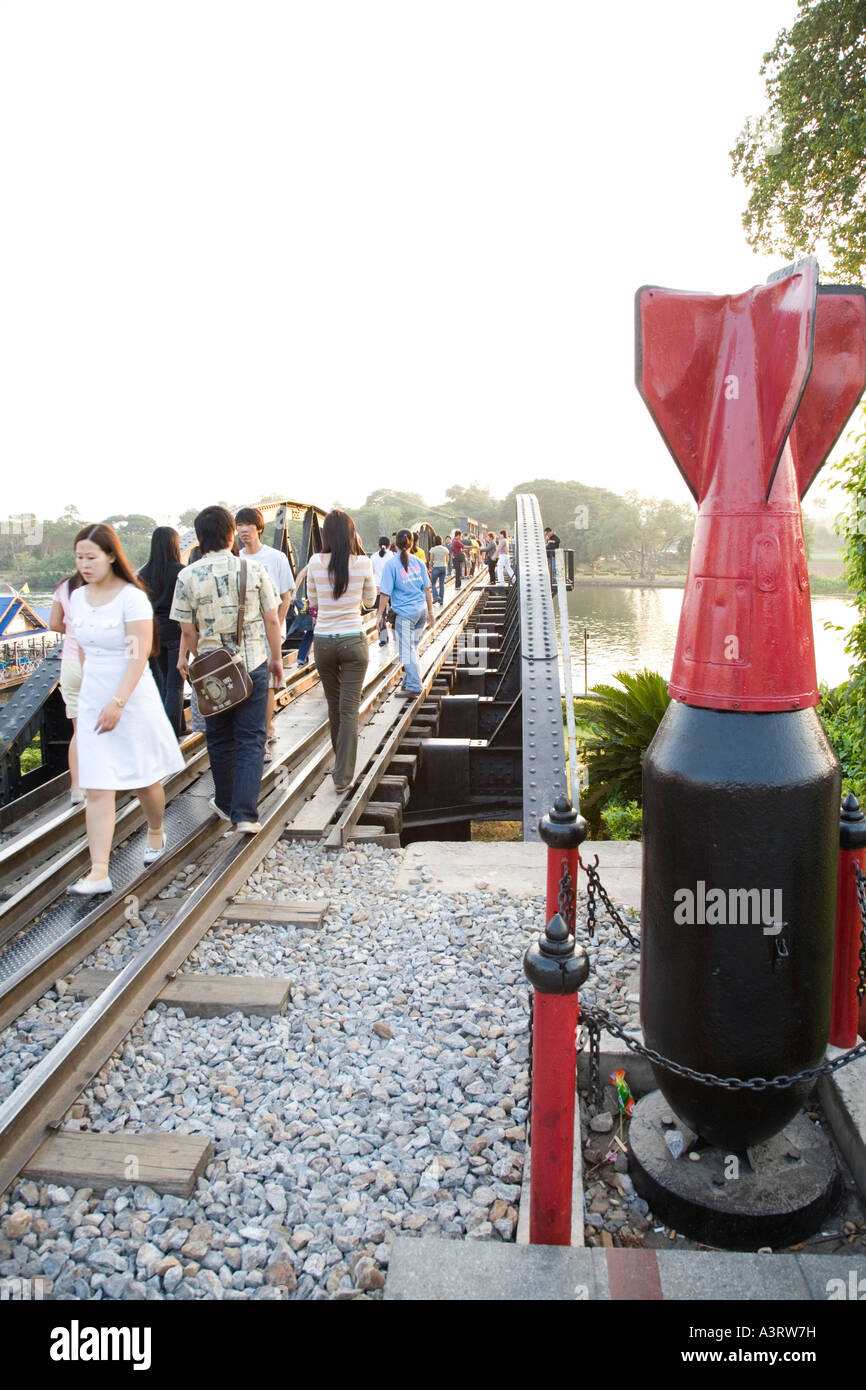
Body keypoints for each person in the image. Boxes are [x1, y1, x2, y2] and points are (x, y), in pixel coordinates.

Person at [66, 524, 186, 894]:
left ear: (111, 556)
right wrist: (91, 693)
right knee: (97, 785)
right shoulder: (79, 597)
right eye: (79, 557)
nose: (84, 565)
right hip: (93, 696)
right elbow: (83, 648)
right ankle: (99, 872)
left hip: (131, 695)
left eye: (91, 557)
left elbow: (138, 656)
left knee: (143, 779)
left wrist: (118, 701)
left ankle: (155, 830)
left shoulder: (132, 597)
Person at [172, 506, 283, 834]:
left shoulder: (186, 576)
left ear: (200, 537)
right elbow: (272, 619)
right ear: (231, 534)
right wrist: (276, 659)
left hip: (211, 673)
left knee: (219, 738)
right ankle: (245, 813)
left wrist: (201, 658)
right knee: (251, 738)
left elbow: (187, 631)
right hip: (252, 664)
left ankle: (224, 800)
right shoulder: (254, 569)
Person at [307, 510, 377, 791]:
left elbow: (313, 601)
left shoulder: (314, 562)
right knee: (349, 710)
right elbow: (370, 601)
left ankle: (340, 764)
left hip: (323, 641)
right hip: (353, 640)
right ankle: (343, 776)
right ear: (352, 533)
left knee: (334, 707)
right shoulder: (363, 562)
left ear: (325, 535)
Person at [235, 508, 294, 750]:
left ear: (259, 528)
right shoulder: (236, 558)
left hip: (269, 631)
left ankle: (266, 731)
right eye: (239, 525)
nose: (243, 530)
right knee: (243, 684)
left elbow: (286, 597)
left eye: (248, 525)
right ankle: (254, 732)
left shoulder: (276, 558)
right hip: (244, 636)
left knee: (269, 684)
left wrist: (276, 629)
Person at [138, 526, 185, 737]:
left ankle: (179, 727)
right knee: (175, 685)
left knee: (163, 683)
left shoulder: (143, 573)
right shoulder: (180, 571)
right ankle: (170, 735)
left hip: (152, 633)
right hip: (176, 631)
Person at [377, 529, 434, 696]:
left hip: (405, 614)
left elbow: (385, 593)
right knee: (412, 648)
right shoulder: (419, 562)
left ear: (395, 545)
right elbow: (427, 590)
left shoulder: (391, 565)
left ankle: (414, 686)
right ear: (412, 543)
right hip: (421, 612)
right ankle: (409, 681)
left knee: (407, 650)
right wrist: (431, 613)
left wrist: (379, 615)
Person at [49, 569, 85, 803]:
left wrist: (71, 631)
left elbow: (53, 623)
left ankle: (76, 787)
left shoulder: (64, 586)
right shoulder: (103, 585)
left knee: (79, 730)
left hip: (70, 663)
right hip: (97, 662)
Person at [370, 537, 392, 646]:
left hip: (379, 588)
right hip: (392, 588)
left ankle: (383, 639)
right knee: (396, 611)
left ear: (379, 545)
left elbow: (371, 573)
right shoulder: (392, 555)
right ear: (389, 545)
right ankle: (398, 634)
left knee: (381, 614)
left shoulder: (373, 557)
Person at [428, 534, 448, 606]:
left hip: (436, 567)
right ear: (441, 541)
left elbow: (431, 560)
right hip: (443, 567)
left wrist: (430, 568)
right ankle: (441, 600)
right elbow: (447, 560)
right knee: (441, 584)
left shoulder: (433, 549)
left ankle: (436, 597)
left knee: (433, 583)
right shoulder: (445, 549)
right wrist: (444, 565)